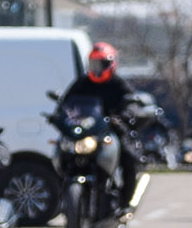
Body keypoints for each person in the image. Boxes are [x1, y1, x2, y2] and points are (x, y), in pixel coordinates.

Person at [53, 40, 144, 212]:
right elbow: (66, 102)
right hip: (86, 131)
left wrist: (126, 114)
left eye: (100, 63)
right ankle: (62, 197)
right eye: (93, 63)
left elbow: (132, 101)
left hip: (111, 130)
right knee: (61, 152)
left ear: (110, 64)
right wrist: (58, 116)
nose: (97, 68)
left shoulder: (118, 84)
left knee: (129, 158)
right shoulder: (82, 82)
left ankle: (125, 203)